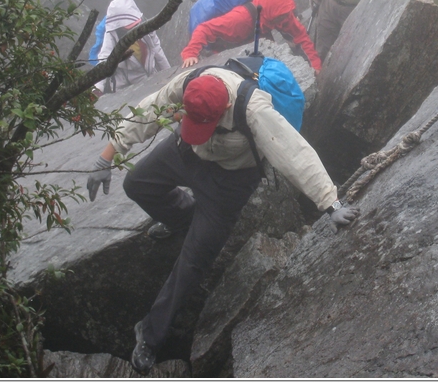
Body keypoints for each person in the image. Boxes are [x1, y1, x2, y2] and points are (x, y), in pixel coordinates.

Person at [84, 66, 360, 374]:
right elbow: (148, 111)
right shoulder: (190, 83)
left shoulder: (253, 109)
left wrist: (330, 203)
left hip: (229, 181)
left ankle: (149, 335)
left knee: (191, 264)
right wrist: (106, 156)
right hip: (186, 152)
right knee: (136, 183)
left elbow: (294, 152)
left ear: (226, 107)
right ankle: (185, 219)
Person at [180, 0, 322, 74]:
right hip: (228, 44)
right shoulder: (240, 19)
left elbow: (301, 37)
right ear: (272, 11)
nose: (286, 19)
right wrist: (190, 53)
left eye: (286, 14)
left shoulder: (279, 13)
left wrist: (315, 64)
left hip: (257, 35)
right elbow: (204, 29)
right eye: (283, 16)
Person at [93, 0, 171, 96]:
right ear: (118, 26)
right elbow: (104, 60)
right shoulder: (112, 35)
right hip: (125, 86)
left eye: (135, 25)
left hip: (149, 78)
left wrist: (169, 75)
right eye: (129, 27)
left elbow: (158, 52)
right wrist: (98, 88)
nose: (134, 29)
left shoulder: (146, 27)